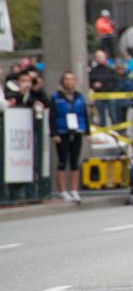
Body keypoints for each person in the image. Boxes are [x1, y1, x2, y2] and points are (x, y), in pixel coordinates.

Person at [50, 72, 89, 203]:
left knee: (74, 161)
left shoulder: (79, 97)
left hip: (77, 130)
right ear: (62, 82)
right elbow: (52, 116)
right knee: (62, 161)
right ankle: (62, 191)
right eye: (67, 79)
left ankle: (74, 190)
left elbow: (84, 113)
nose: (69, 82)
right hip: (62, 131)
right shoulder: (56, 97)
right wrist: (54, 133)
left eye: (72, 79)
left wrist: (87, 131)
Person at [89, 50, 118, 125]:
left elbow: (115, 82)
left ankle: (115, 131)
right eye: (98, 57)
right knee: (101, 117)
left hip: (110, 95)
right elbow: (90, 82)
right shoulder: (93, 71)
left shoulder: (111, 70)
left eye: (101, 57)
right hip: (99, 96)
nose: (99, 59)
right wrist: (93, 85)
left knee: (113, 115)